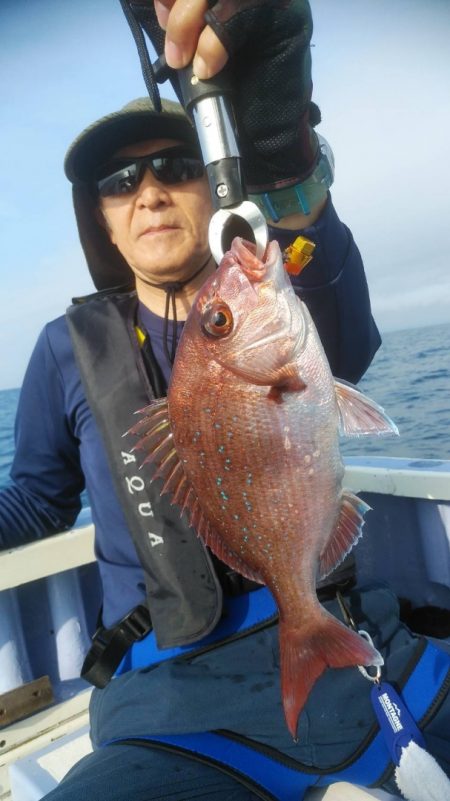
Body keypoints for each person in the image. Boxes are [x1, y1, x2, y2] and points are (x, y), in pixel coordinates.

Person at [1, 2, 449, 799]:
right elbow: (37, 499)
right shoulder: (63, 350)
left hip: (347, 633)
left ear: (212, 188)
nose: (148, 192)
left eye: (174, 167)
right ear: (101, 219)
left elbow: (341, 320)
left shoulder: (277, 285)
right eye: (119, 181)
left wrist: (282, 155)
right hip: (164, 695)